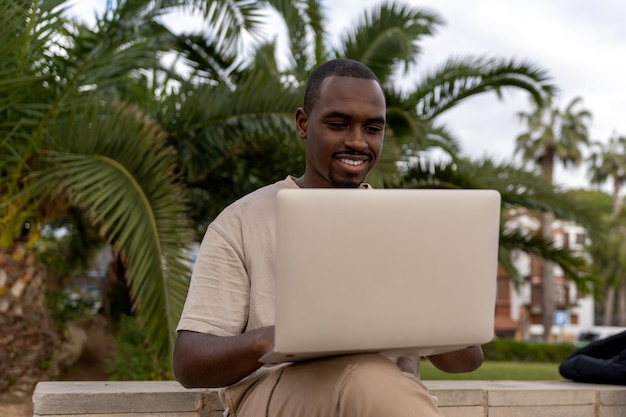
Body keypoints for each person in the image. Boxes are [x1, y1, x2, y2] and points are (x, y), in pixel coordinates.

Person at [173, 58, 484, 417]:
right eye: (339, 124)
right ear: (303, 124)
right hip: (275, 393)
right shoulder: (241, 221)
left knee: (373, 378)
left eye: (372, 129)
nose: (357, 141)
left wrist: (417, 318)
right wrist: (278, 337)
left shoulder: (408, 227)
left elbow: (466, 359)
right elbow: (189, 362)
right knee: (371, 381)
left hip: (384, 394)